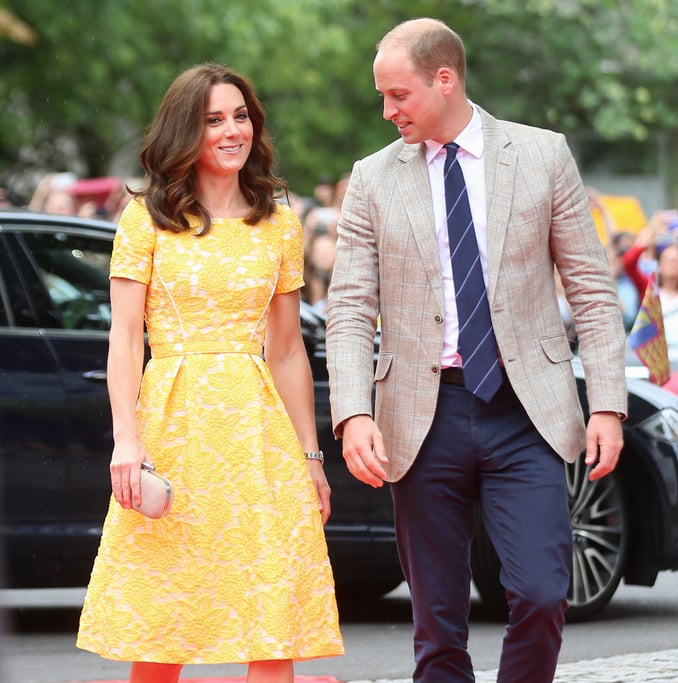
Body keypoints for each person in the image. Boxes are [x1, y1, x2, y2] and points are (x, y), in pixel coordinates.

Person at [325, 18, 626, 683]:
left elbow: (592, 291)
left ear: (444, 79)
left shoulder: (543, 155)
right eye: (382, 96)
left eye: (398, 94)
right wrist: (353, 414)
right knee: (437, 624)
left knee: (544, 595)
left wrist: (607, 403)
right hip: (421, 418)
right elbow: (347, 310)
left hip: (527, 414)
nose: (387, 110)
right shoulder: (372, 179)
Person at [76, 64, 344, 681]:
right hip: (174, 430)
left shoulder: (277, 222)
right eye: (213, 120)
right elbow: (124, 337)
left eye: (240, 116)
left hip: (259, 438)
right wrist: (126, 439)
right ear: (184, 133)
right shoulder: (146, 218)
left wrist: (310, 457)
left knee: (272, 625)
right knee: (163, 628)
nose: (232, 131)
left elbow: (286, 351)